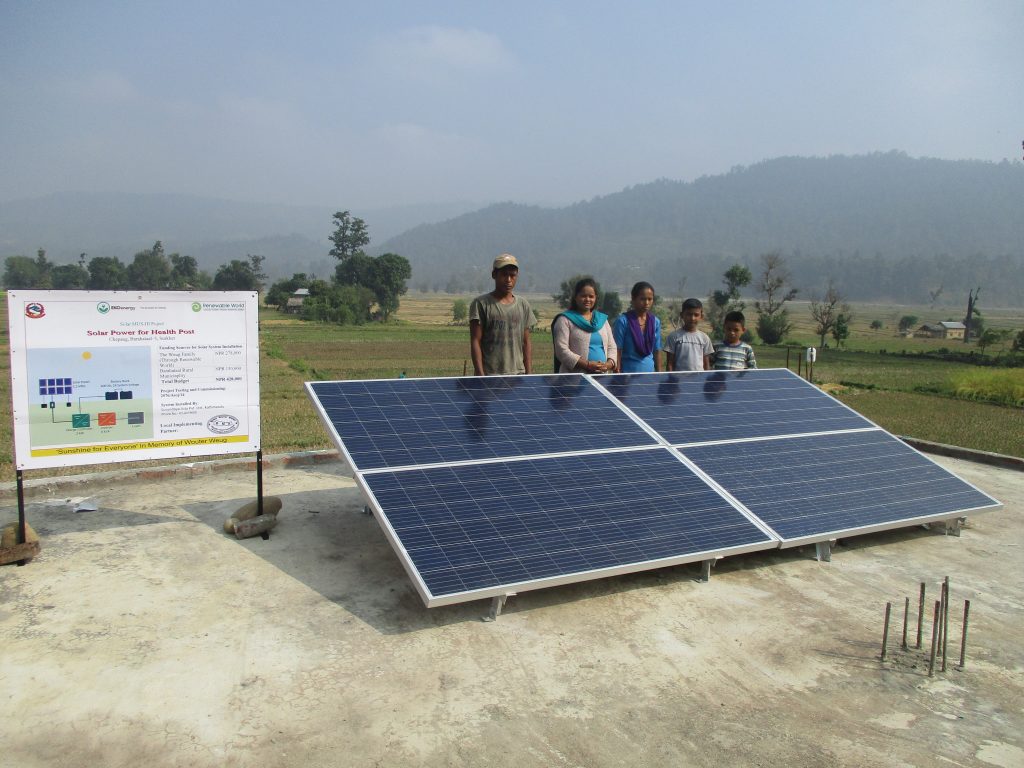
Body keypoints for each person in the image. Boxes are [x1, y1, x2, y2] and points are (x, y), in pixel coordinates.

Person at [469, 254, 535, 376]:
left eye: (512, 275)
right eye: (504, 275)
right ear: (494, 275)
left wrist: (529, 374)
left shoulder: (523, 305)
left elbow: (526, 342)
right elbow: (475, 341)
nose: (508, 280)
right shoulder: (481, 304)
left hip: (518, 375)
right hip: (491, 375)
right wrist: (480, 375)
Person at [552, 278, 618, 374]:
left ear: (596, 298)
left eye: (591, 296)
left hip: (601, 377)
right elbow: (561, 350)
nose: (587, 299)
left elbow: (612, 346)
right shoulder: (565, 320)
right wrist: (587, 365)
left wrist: (608, 365)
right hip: (575, 380)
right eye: (583, 296)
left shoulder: (602, 320)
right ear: (575, 297)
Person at [613, 281, 663, 373]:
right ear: (633, 299)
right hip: (627, 375)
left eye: (650, 299)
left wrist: (659, 373)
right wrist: (617, 372)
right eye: (642, 299)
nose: (646, 303)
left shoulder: (655, 322)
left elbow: (657, 350)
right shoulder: (623, 321)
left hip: (649, 374)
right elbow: (617, 349)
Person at [664, 298, 714, 371]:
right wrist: (671, 380)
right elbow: (670, 364)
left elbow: (706, 364)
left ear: (701, 316)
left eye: (696, 315)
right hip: (679, 380)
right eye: (689, 314)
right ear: (682, 315)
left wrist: (706, 380)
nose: (692, 318)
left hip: (699, 379)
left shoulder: (704, 338)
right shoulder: (673, 337)